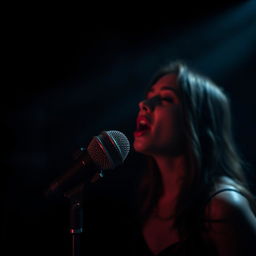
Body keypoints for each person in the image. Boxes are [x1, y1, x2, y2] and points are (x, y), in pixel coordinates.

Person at [132, 60, 256, 255]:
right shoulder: (147, 199)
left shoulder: (223, 207)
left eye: (165, 98)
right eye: (149, 96)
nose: (144, 104)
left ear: (197, 122)